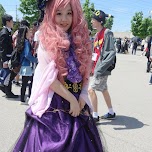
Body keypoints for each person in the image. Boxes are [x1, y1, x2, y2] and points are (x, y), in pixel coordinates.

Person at [12, 0, 104, 151]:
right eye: (59, 14)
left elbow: (86, 74)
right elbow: (49, 80)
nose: (64, 19)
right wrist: (72, 100)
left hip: (77, 102)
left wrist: (81, 96)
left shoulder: (81, 41)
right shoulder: (45, 41)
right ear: (51, 15)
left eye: (69, 13)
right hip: (54, 103)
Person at [88, 10, 116, 122]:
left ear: (99, 21)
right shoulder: (96, 35)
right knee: (104, 89)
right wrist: (91, 66)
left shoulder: (107, 33)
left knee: (91, 89)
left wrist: (99, 69)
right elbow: (95, 53)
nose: (91, 21)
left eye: (93, 19)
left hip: (101, 69)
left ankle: (95, 116)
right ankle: (111, 112)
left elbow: (111, 52)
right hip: (97, 68)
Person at [16, 26, 37, 104]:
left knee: (24, 83)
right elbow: (27, 55)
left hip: (23, 65)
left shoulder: (20, 41)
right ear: (25, 33)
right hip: (27, 65)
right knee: (29, 82)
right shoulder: (26, 42)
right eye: (28, 31)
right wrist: (35, 60)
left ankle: (23, 98)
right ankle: (26, 98)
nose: (30, 33)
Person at [0, 14, 18, 98]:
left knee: (9, 75)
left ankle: (6, 89)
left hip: (8, 56)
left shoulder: (8, 31)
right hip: (6, 57)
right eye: (12, 21)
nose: (13, 23)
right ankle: (8, 92)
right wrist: (5, 60)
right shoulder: (4, 33)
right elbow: (3, 48)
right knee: (8, 75)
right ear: (8, 22)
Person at [12, 20, 30, 86]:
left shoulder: (17, 32)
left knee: (17, 68)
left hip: (16, 52)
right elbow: (27, 54)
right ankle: (16, 80)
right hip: (21, 55)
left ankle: (16, 80)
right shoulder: (25, 40)